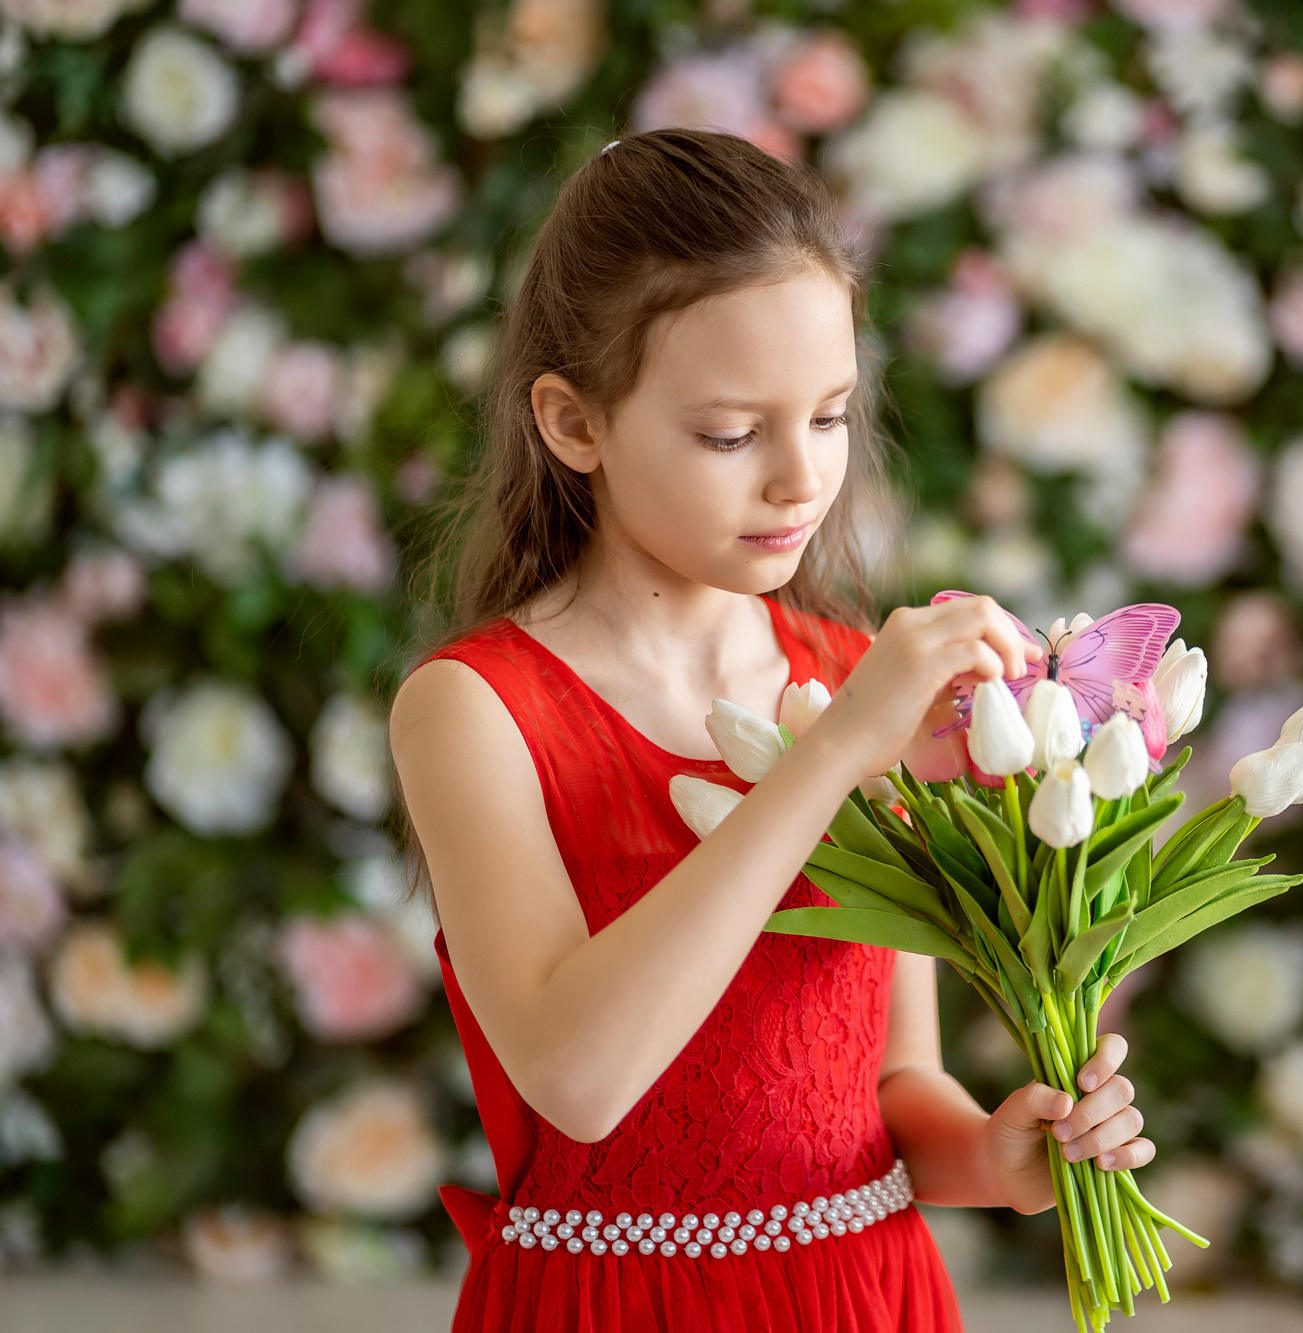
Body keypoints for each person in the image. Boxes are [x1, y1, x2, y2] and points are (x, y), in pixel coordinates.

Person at [387, 128, 1154, 1333]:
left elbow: (893, 1085)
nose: (802, 480)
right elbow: (578, 1079)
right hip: (612, 1303)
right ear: (573, 422)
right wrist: (837, 752)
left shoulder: (854, 680)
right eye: (732, 434)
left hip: (861, 1294)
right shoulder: (475, 709)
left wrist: (1003, 1161)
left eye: (832, 415)